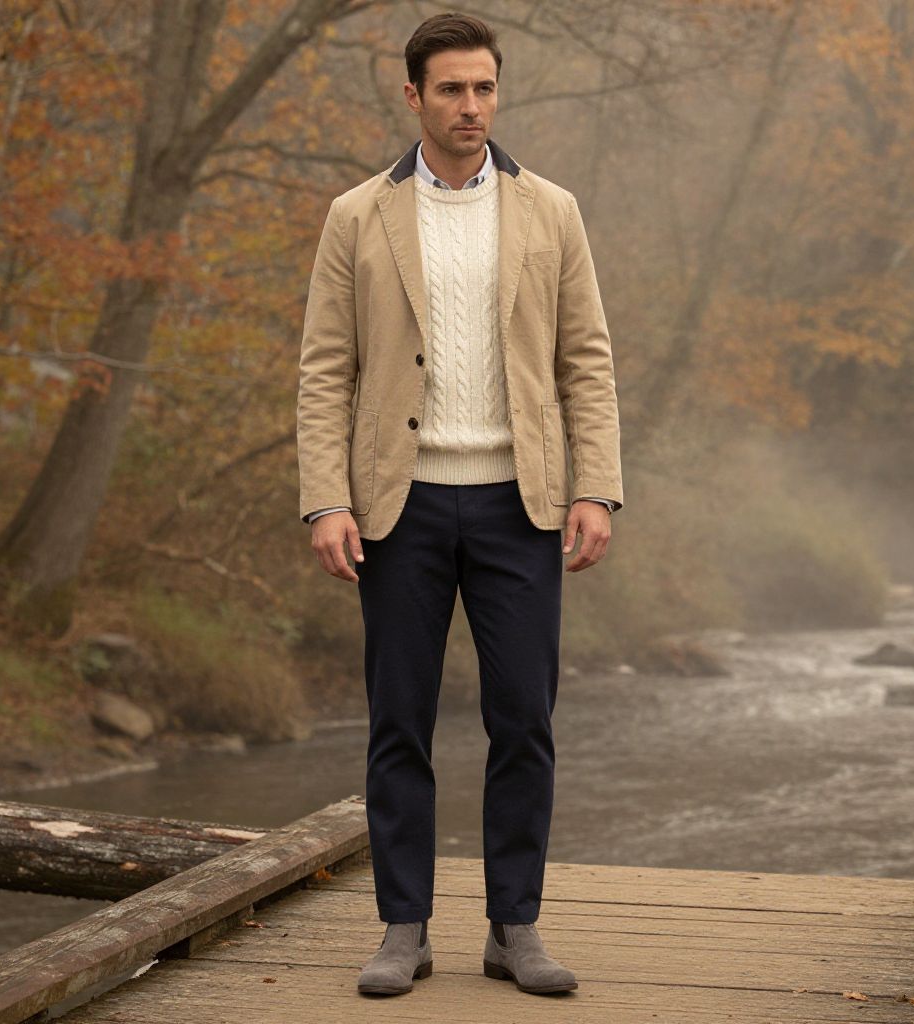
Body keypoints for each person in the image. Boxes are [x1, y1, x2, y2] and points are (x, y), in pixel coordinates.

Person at [296, 11, 623, 998]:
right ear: (413, 96)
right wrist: (324, 501)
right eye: (451, 90)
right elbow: (324, 368)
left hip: (519, 506)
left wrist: (594, 486)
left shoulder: (551, 210)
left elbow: (585, 358)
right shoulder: (357, 216)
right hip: (398, 507)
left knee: (523, 719)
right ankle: (404, 928)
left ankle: (514, 927)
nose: (470, 106)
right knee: (401, 721)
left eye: (483, 88)